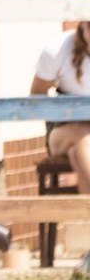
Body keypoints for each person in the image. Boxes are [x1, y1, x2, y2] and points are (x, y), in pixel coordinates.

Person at [30, 24, 90, 235]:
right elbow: (36, 96)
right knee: (82, 135)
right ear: (83, 27)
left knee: (79, 152)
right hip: (63, 130)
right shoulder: (58, 49)